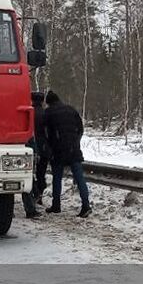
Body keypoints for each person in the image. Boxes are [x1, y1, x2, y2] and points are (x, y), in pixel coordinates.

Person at [42, 90, 91, 218]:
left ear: (48, 102)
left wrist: (49, 148)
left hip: (57, 150)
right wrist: (75, 142)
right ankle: (86, 205)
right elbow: (80, 129)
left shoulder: (48, 113)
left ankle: (56, 205)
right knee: (80, 178)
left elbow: (45, 133)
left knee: (57, 178)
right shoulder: (71, 109)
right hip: (73, 149)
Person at [29, 91, 50, 205]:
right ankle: (39, 195)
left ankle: (34, 193)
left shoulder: (28, 112)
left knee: (29, 173)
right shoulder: (45, 114)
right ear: (42, 101)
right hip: (43, 147)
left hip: (29, 146)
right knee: (41, 173)